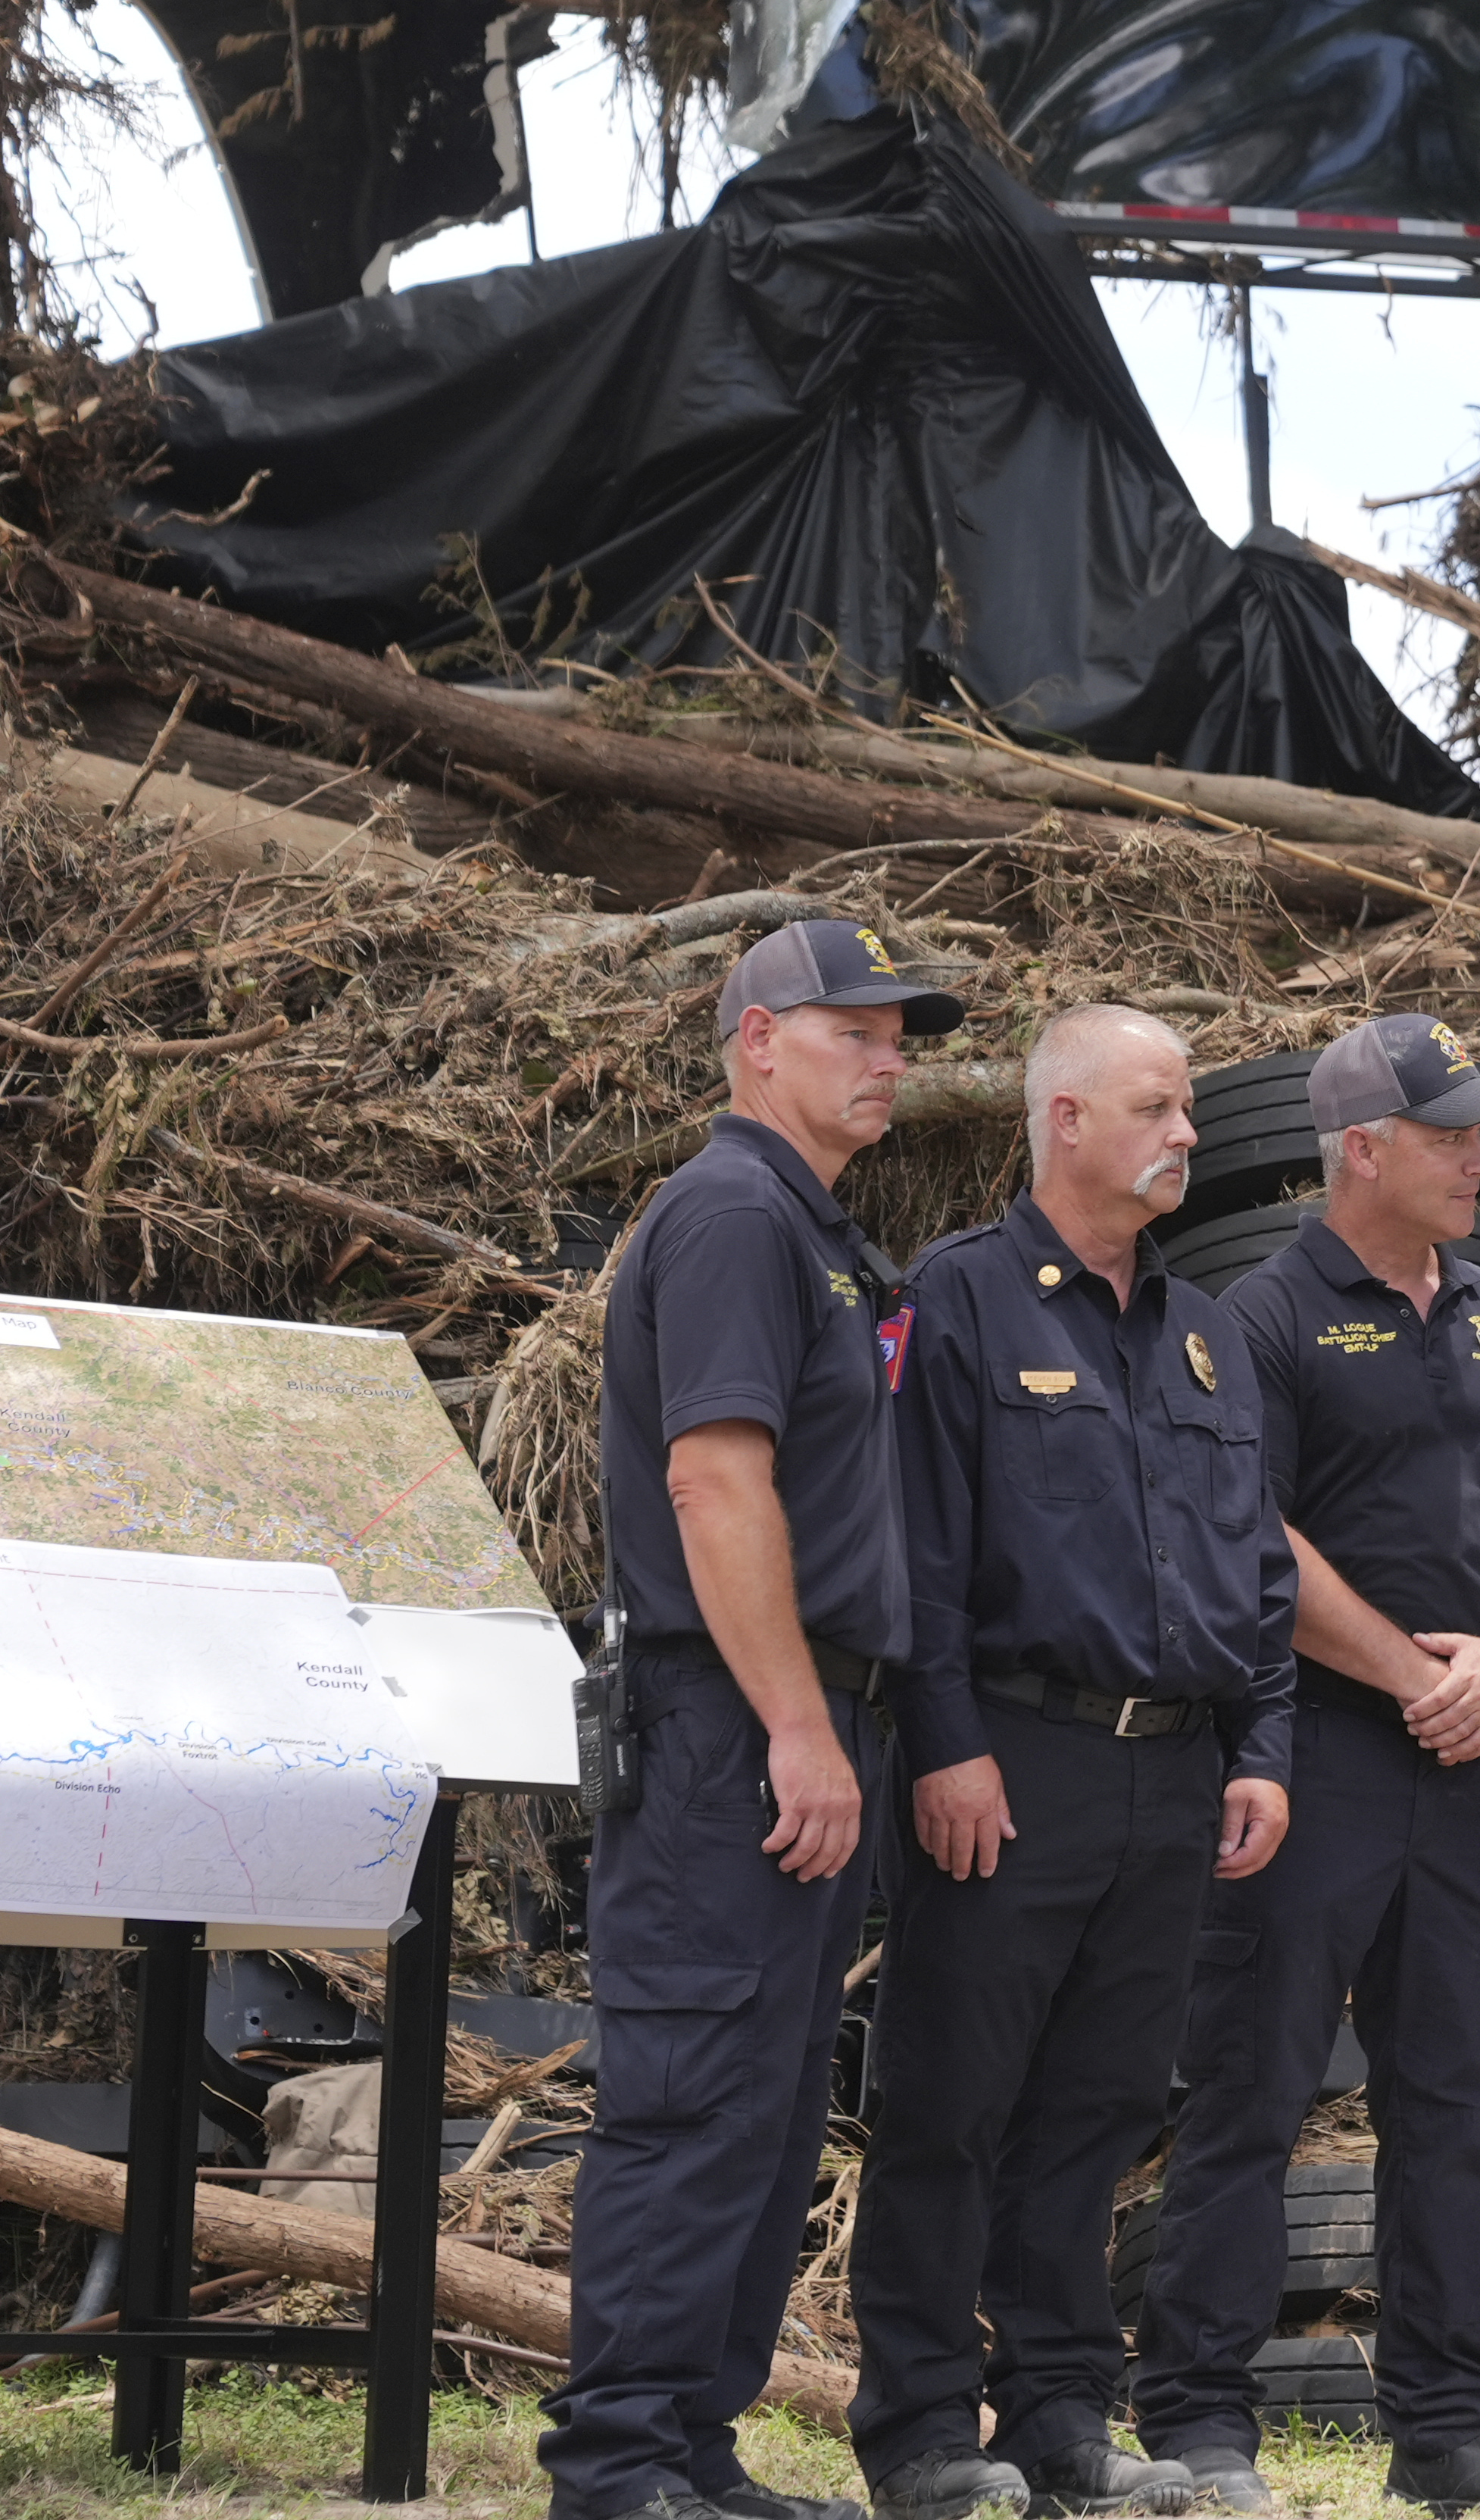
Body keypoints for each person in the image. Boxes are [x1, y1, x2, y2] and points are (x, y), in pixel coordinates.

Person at [1131, 1011, 1480, 2519]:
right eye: (1451, 1135)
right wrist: (1412, 1672)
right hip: (1308, 1753)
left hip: (1465, 1770)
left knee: (1458, 2101)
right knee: (1250, 2090)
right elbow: (1246, 1532)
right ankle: (1200, 2419)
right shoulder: (1259, 1317)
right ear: (1362, 1150)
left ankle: (1447, 2431)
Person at [847, 1007, 1305, 2520]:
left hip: (1171, 1776)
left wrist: (1260, 1748)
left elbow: (1256, 1571)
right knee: (950, 2101)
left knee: (1097, 2109)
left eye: (1188, 1109)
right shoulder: (959, 1301)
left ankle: (1058, 2417)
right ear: (1064, 1121)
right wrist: (946, 1747)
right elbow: (913, 1552)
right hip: (1012, 1759)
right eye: (1158, 1107)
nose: (1188, 1135)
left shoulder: (1202, 1329)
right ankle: (922, 2428)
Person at [544, 919, 965, 2520]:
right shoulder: (731, 1214)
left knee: (769, 2107)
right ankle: (618, 2461)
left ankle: (691, 2448)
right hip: (730, 1719)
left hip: (797, 1712)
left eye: (898, 1038)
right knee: (692, 2092)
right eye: (855, 1030)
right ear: (759, 1041)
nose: (888, 1060)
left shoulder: (815, 1231)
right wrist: (796, 1722)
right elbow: (713, 1484)